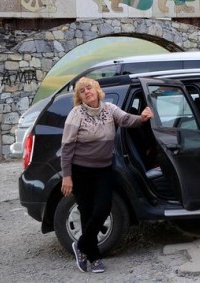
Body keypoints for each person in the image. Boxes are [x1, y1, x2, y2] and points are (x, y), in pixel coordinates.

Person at [60, 77, 153, 273]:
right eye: (82, 90)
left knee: (102, 209)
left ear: (97, 90)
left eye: (89, 88)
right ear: (79, 96)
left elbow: (127, 119)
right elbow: (67, 147)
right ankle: (93, 258)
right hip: (80, 171)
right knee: (86, 213)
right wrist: (67, 176)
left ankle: (81, 245)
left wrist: (143, 118)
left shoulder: (110, 109)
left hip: (103, 169)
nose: (87, 91)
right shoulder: (76, 114)